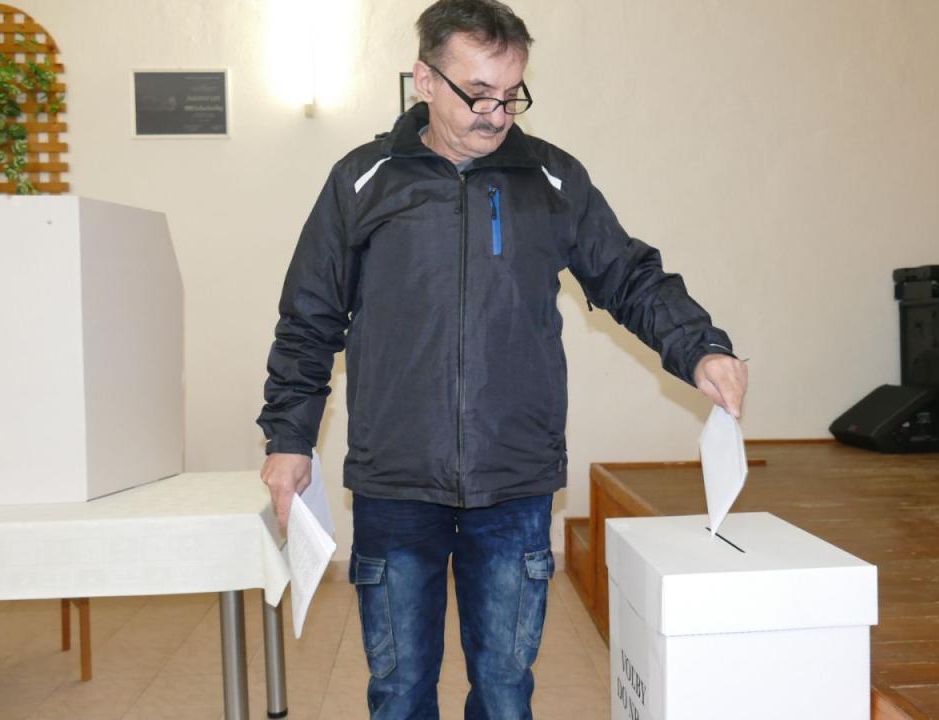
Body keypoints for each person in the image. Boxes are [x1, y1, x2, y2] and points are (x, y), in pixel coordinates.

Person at [257, 1, 747, 717]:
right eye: (479, 93)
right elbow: (310, 317)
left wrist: (700, 346)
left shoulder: (552, 180)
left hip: (515, 480)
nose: (496, 115)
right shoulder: (362, 181)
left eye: (512, 94)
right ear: (425, 79)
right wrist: (288, 438)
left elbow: (630, 275)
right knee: (399, 693)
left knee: (506, 693)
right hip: (397, 481)